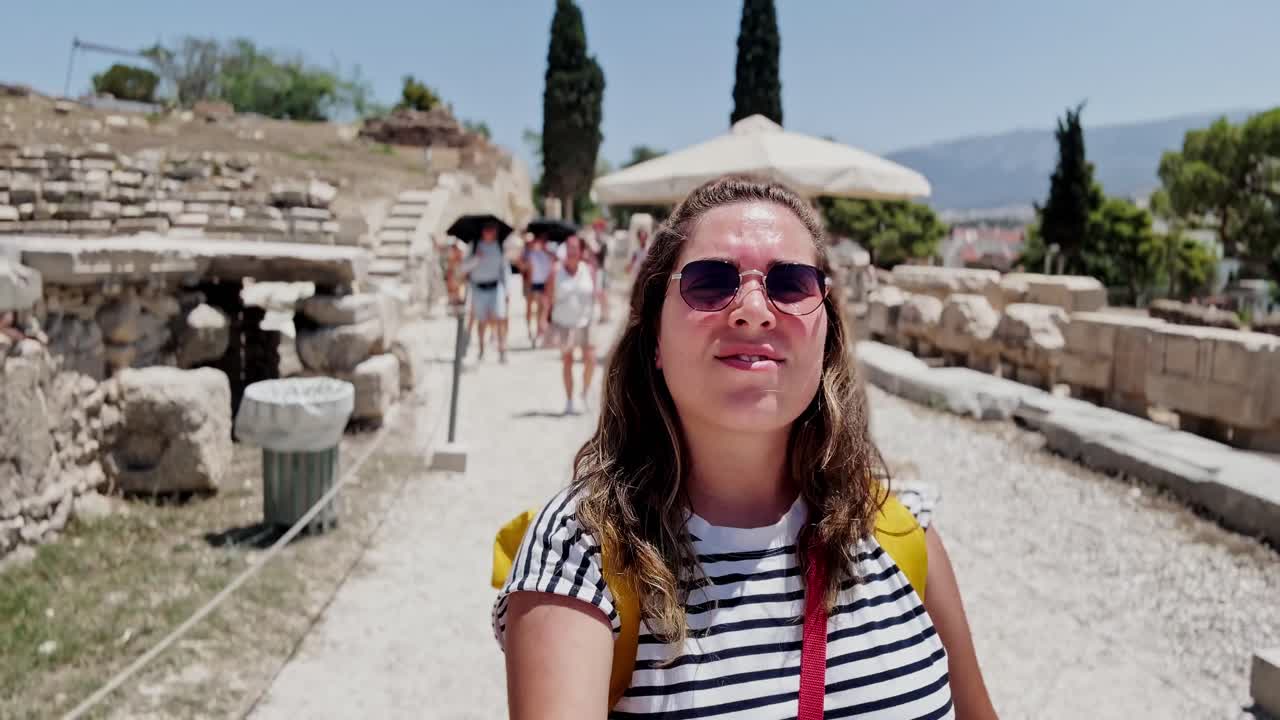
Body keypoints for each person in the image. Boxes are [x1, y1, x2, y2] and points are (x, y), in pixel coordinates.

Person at [493, 176, 996, 717]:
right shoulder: (580, 552)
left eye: (791, 285)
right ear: (655, 339)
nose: (753, 309)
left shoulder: (902, 531)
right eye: (710, 283)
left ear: (827, 335)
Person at [544, 234, 597, 415]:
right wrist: (544, 320)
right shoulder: (556, 272)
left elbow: (594, 293)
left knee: (590, 358)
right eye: (569, 248)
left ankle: (585, 392)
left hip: (586, 322)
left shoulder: (589, 269)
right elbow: (547, 297)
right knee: (568, 361)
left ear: (581, 251)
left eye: (575, 248)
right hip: (564, 323)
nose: (572, 252)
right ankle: (569, 400)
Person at [461, 223, 509, 363]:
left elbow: (505, 269)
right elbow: (463, 268)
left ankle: (502, 350)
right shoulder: (474, 246)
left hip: (496, 287)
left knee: (500, 318)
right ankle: (481, 349)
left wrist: (507, 290)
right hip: (478, 288)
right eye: (486, 229)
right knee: (481, 320)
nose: (489, 231)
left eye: (491, 229)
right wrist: (476, 258)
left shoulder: (499, 246)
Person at [522, 233, 555, 346]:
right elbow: (524, 267)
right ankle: (531, 331)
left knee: (541, 309)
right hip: (532, 284)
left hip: (542, 284)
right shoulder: (531, 253)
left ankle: (538, 332)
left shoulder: (547, 254)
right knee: (531, 308)